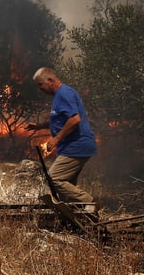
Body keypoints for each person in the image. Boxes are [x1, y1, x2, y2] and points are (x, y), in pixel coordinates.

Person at [29, 66, 98, 203]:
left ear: (50, 80)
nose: (40, 89)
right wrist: (39, 126)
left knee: (54, 179)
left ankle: (90, 203)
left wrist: (55, 139)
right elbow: (61, 120)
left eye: (40, 84)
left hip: (76, 146)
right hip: (73, 146)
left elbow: (74, 119)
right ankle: (79, 219)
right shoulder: (59, 95)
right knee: (67, 191)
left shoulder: (64, 93)